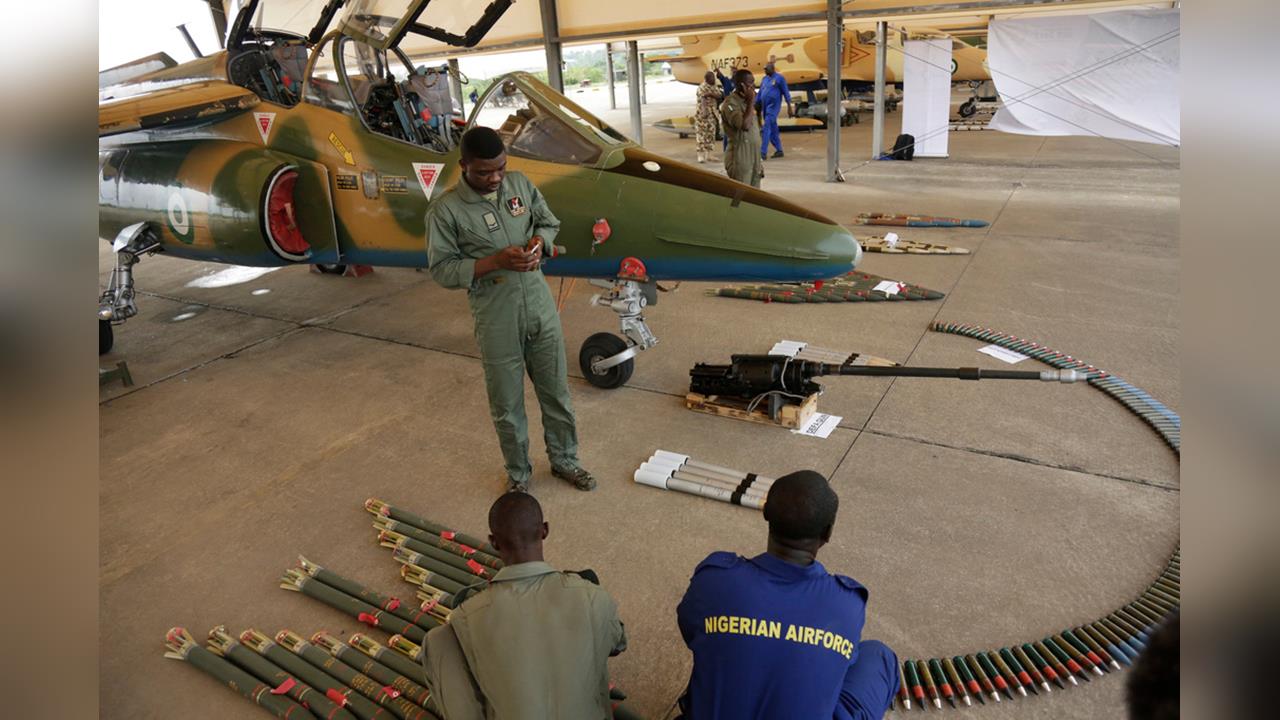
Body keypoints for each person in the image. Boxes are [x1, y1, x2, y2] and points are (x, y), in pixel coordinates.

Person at [426, 127, 594, 493]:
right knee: (507, 404)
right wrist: (494, 261)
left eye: (500, 168)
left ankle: (566, 461)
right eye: (485, 172)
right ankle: (519, 475)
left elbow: (548, 222)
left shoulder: (519, 186)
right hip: (496, 315)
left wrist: (539, 242)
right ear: (464, 167)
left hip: (539, 305)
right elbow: (442, 269)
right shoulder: (447, 210)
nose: (495, 178)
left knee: (557, 394)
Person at [676, 470, 899, 719]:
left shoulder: (714, 579)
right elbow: (841, 665)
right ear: (828, 533)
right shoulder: (846, 603)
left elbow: (691, 630)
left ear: (765, 514)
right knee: (878, 656)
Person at [422, 492, 628, 719]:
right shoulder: (592, 596)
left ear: (493, 542)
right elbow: (617, 645)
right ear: (545, 530)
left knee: (438, 641)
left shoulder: (466, 618)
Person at [718, 69, 763, 188]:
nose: (753, 86)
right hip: (740, 158)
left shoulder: (747, 102)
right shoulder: (730, 103)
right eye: (750, 83)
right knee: (741, 196)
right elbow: (745, 126)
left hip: (754, 157)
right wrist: (750, 102)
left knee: (756, 197)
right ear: (742, 85)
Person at [756, 62, 793, 160]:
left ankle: (763, 152)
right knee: (773, 129)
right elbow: (760, 93)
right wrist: (756, 103)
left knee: (766, 127)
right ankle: (779, 150)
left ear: (772, 68)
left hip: (773, 107)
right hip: (765, 106)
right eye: (764, 69)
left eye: (766, 68)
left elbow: (785, 92)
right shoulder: (764, 79)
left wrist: (789, 106)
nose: (765, 70)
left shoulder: (779, 78)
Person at [694, 71, 723, 164]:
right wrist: (704, 111)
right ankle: (700, 155)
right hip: (702, 116)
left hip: (712, 115)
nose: (714, 80)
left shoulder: (713, 86)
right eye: (712, 78)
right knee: (701, 135)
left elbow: (719, 95)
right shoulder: (702, 87)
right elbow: (702, 99)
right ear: (707, 79)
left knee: (711, 134)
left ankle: (709, 155)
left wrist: (710, 94)